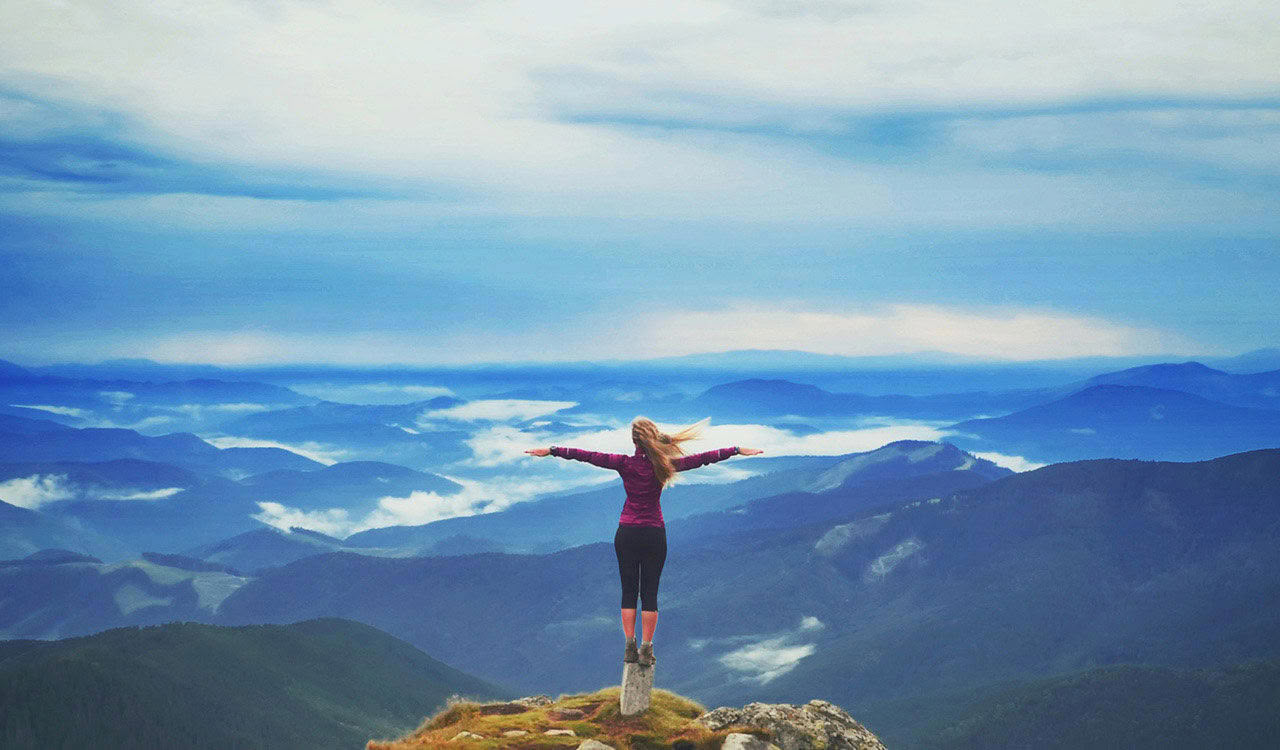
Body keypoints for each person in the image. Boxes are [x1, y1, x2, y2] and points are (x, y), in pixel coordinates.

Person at [525, 416, 762, 667]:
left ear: (633, 440)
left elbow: (586, 455)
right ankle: (646, 649)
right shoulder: (664, 464)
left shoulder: (623, 463)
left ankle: (630, 645)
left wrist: (551, 450)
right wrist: (735, 450)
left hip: (627, 533)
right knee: (650, 593)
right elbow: (704, 458)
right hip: (654, 534)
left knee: (629, 592)